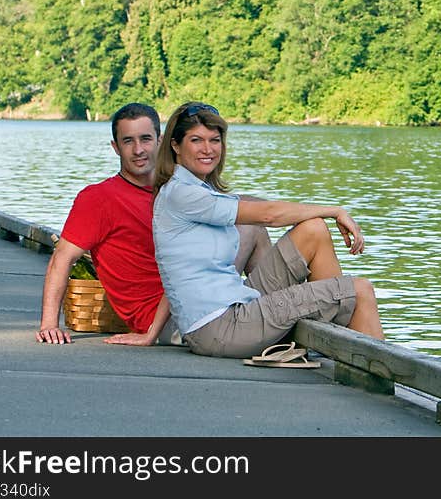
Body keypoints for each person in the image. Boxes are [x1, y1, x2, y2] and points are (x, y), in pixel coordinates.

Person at [153, 102, 384, 360]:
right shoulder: (184, 193)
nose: (208, 149)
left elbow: (174, 274)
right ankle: (380, 384)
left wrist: (151, 333)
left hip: (235, 304)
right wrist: (335, 211)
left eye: (215, 140)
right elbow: (268, 215)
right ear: (175, 145)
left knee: (313, 229)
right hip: (222, 328)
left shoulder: (192, 188)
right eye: (196, 140)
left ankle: (331, 329)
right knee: (360, 290)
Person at [35, 102, 273, 346]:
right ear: (115, 148)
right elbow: (62, 258)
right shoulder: (99, 198)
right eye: (128, 141)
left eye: (146, 139)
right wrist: (49, 325)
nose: (139, 149)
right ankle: (269, 314)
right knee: (250, 224)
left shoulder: (178, 189)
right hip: (167, 320)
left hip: (199, 295)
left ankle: (269, 310)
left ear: (160, 141)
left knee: (250, 221)